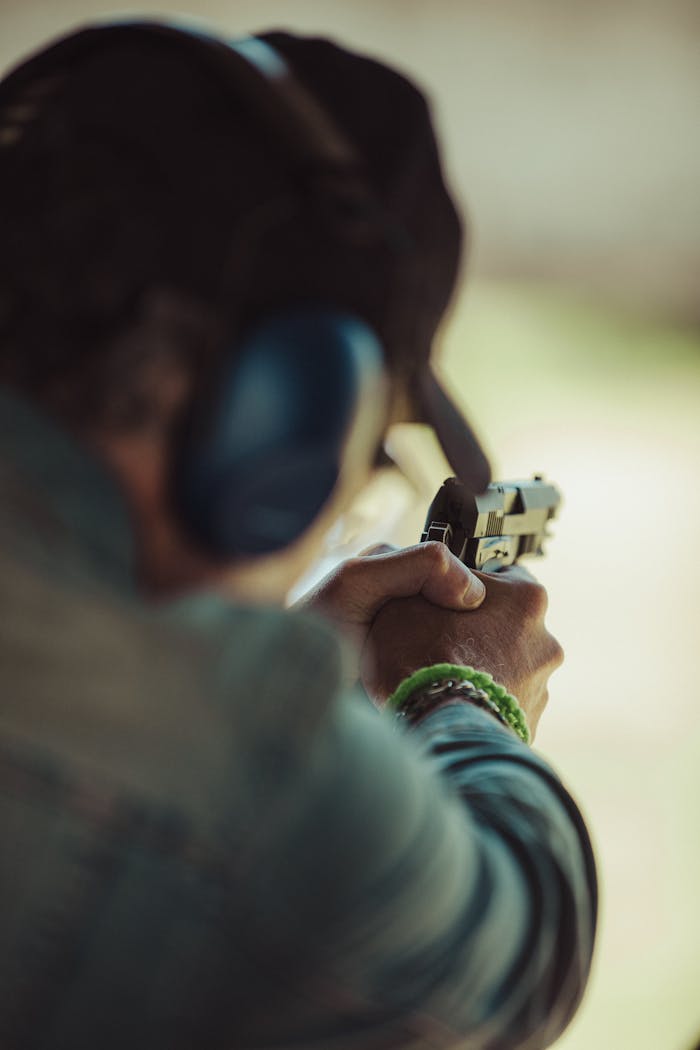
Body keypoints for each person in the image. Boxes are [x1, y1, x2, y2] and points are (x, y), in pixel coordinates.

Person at [0, 20, 596, 1050]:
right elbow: (519, 960)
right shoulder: (253, 762)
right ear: (283, 417)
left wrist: (266, 638)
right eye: (359, 464)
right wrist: (466, 692)